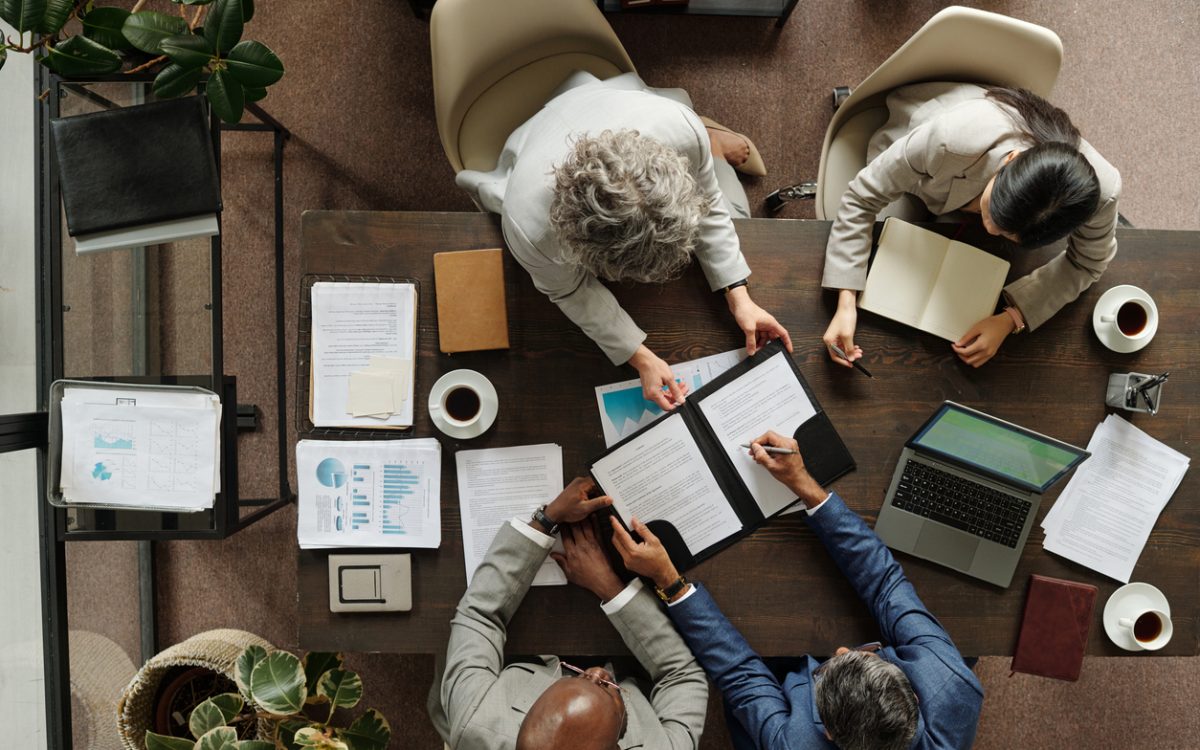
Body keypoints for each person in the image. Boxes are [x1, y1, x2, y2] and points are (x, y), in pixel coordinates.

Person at [608, 432, 983, 750]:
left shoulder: (795, 742)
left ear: (830, 734)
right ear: (913, 696)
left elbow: (740, 674)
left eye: (832, 665)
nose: (839, 649)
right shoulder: (951, 684)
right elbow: (885, 582)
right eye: (862, 657)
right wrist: (804, 484)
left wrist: (670, 582)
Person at [458, 71, 791, 410]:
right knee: (740, 210)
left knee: (729, 205)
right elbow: (569, 289)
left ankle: (713, 141)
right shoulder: (531, 231)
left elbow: (707, 203)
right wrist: (640, 357)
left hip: (624, 109)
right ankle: (718, 146)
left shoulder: (681, 128)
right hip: (536, 146)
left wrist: (739, 296)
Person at [822, 82, 1121, 369]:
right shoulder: (951, 138)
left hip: (958, 196)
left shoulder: (1102, 195)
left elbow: (1087, 263)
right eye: (993, 212)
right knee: (887, 234)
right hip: (919, 164)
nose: (990, 229)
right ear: (1010, 160)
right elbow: (864, 196)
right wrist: (846, 301)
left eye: (1007, 233)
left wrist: (1011, 319)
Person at [428, 477, 709, 749]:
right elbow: (681, 673)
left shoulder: (478, 721)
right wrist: (609, 586)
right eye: (607, 690)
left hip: (522, 649)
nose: (597, 671)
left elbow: (478, 614)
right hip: (634, 661)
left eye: (583, 677)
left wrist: (546, 519)